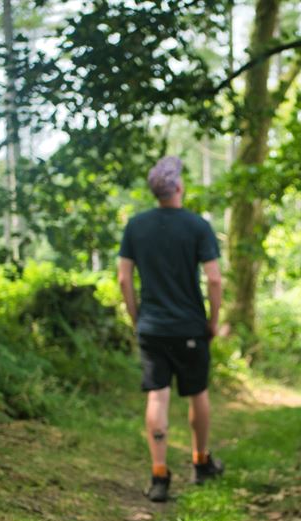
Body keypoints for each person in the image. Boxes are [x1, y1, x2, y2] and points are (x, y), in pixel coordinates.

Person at [118, 156, 224, 502]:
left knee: (157, 395)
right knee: (197, 392)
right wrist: (213, 320)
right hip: (190, 327)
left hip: (152, 326)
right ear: (178, 187)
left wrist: (137, 318)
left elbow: (123, 277)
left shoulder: (136, 226)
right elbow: (213, 278)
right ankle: (200, 461)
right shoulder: (197, 226)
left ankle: (159, 475)